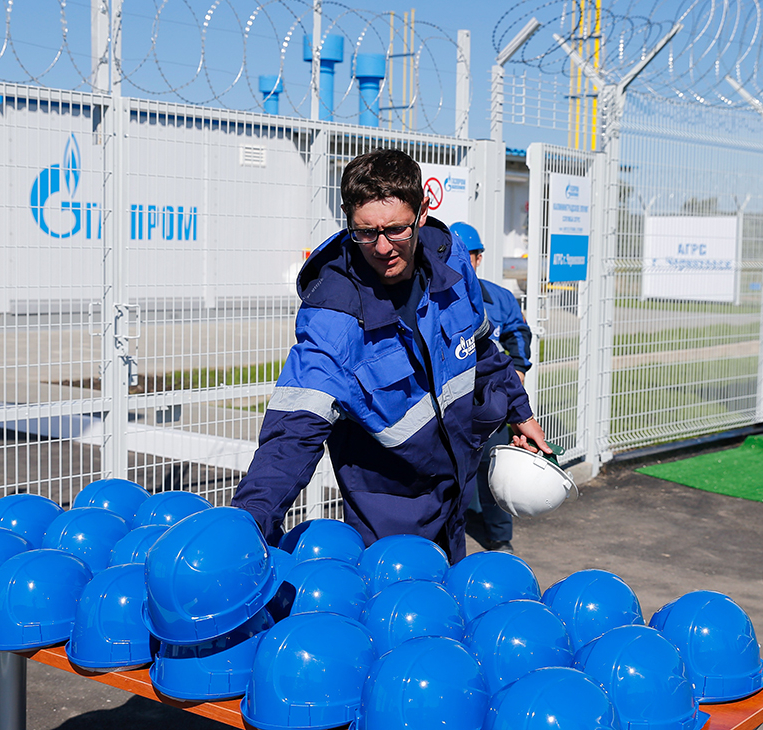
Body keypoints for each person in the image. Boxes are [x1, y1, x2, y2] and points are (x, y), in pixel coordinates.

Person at [231, 149, 549, 563]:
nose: (382, 247)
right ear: (347, 221)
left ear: (422, 213)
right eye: (365, 233)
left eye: (396, 229)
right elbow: (292, 432)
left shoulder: (451, 262)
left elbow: (482, 350)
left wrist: (519, 413)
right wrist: (249, 520)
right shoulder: (334, 315)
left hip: (453, 491)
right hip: (388, 513)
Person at [451, 221, 532, 554]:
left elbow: (517, 333)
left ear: (479, 258)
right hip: (450, 404)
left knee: (494, 465)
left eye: (466, 255)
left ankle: (499, 538)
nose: (458, 263)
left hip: (492, 401)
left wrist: (518, 368)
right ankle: (447, 540)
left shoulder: (499, 298)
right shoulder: (433, 297)